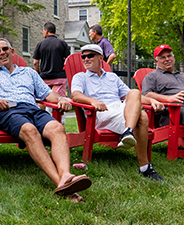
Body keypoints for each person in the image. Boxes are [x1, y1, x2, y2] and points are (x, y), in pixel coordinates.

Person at [0, 39, 92, 201]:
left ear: (12, 51)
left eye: (5, 49)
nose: (2, 52)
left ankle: (65, 175)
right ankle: (60, 183)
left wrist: (61, 99)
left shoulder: (29, 72)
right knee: (29, 130)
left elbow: (47, 94)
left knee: (57, 128)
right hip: (8, 111)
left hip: (33, 109)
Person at [71, 44, 165, 181]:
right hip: (99, 113)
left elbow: (131, 96)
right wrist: (93, 101)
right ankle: (144, 166)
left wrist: (151, 101)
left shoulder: (112, 77)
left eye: (90, 55)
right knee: (142, 116)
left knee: (134, 92)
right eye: (83, 56)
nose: (86, 59)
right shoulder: (80, 77)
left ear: (101, 58)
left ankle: (128, 132)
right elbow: (76, 95)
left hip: (119, 109)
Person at [33, 22, 70, 96]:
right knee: (59, 102)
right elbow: (68, 60)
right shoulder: (62, 43)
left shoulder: (40, 44)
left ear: (46, 31)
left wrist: (38, 75)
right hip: (59, 77)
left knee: (43, 100)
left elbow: (35, 62)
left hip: (45, 78)